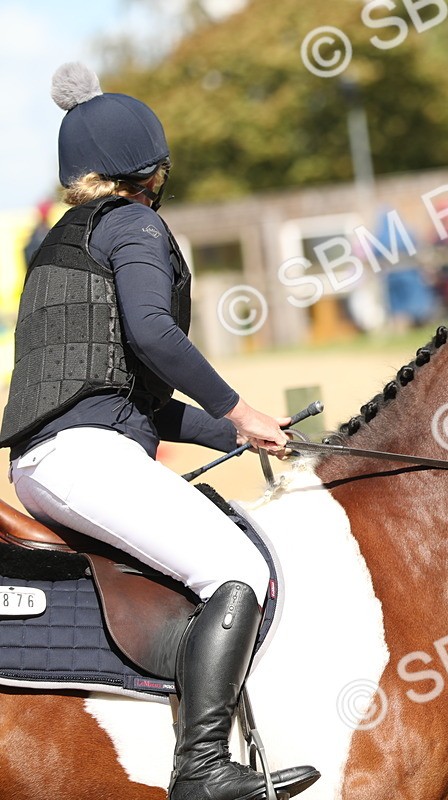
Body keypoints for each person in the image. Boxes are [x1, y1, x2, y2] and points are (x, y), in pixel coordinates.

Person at [0, 63, 320, 800]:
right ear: (152, 169)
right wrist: (240, 406)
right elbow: (153, 337)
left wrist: (230, 433)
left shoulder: (57, 246)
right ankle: (201, 767)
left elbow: (114, 392)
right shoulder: (137, 223)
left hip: (50, 459)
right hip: (84, 459)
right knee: (238, 570)